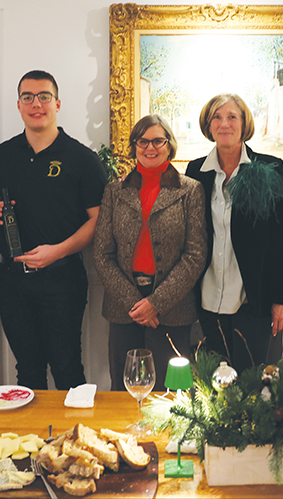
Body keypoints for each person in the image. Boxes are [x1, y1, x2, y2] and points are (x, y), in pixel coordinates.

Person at [0, 70, 107, 390]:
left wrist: (57, 252)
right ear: (19, 105)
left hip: (63, 280)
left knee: (67, 369)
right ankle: (31, 442)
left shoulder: (82, 159)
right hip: (13, 282)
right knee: (27, 372)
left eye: (44, 97)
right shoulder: (2, 155)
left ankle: (76, 440)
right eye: (28, 97)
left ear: (58, 103)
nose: (36, 104)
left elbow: (98, 220)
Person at [94, 115, 207, 391]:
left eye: (158, 140)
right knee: (123, 390)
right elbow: (102, 253)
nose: (150, 147)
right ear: (134, 146)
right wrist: (137, 303)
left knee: (170, 394)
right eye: (142, 141)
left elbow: (195, 255)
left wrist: (156, 302)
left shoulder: (190, 190)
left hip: (172, 309)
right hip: (125, 309)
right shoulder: (114, 191)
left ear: (169, 145)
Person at [185, 93, 283, 374]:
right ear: (208, 126)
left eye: (232, 116)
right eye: (217, 118)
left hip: (252, 299)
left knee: (255, 384)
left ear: (244, 123)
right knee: (215, 389)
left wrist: (282, 298)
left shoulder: (270, 168)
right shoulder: (196, 171)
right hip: (208, 300)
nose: (224, 124)